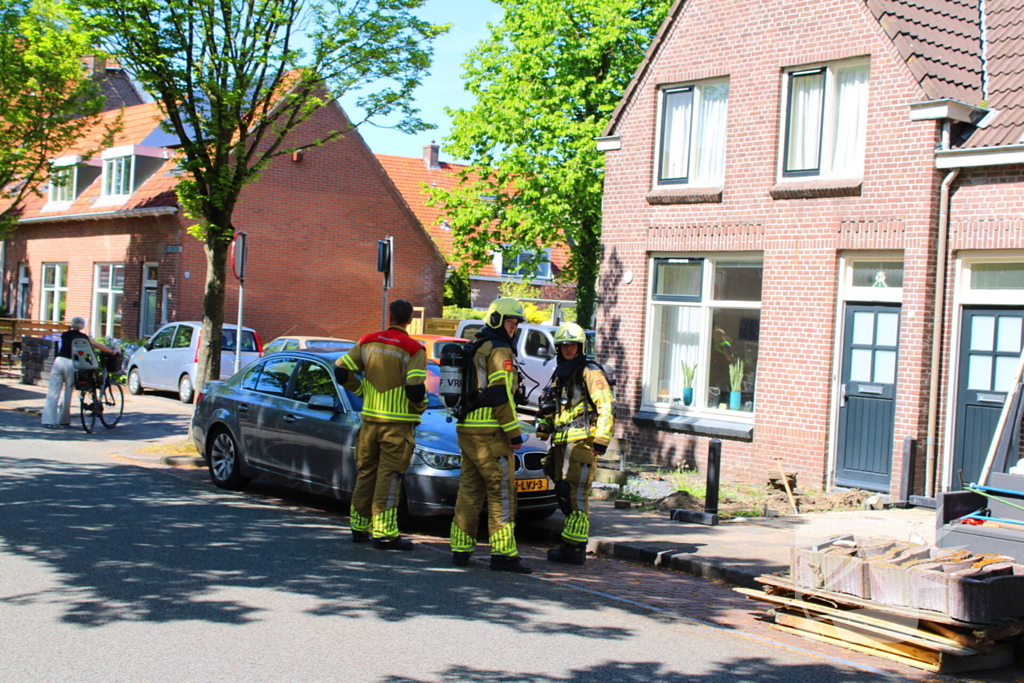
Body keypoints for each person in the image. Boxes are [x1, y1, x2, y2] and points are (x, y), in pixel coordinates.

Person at [335, 299, 427, 551]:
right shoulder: (413, 348)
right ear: (410, 320)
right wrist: (419, 408)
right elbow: (416, 389)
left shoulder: (367, 341)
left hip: (369, 423)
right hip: (396, 425)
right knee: (389, 477)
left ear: (390, 316)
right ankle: (385, 534)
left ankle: (358, 526)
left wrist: (363, 390)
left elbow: (341, 372)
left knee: (366, 473)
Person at [450, 297, 531, 573]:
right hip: (490, 432)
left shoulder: (477, 344)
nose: (513, 328)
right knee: (502, 491)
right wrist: (514, 432)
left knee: (470, 490)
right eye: (510, 322)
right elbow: (500, 393)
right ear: (497, 320)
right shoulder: (498, 349)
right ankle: (504, 553)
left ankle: (460, 549)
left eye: (516, 323)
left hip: (468, 428)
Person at [536, 322, 615, 565]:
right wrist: (545, 425)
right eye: (563, 345)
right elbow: (555, 406)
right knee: (562, 494)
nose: (568, 349)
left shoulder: (590, 372)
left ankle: (575, 547)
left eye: (572, 345)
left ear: (580, 347)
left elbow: (606, 406)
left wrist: (601, 440)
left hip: (582, 442)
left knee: (575, 495)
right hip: (561, 444)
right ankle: (570, 543)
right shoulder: (560, 372)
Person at [42, 317, 115, 428]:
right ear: (82, 326)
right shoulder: (83, 337)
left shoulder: (65, 334)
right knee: (68, 391)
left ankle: (48, 420)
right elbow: (97, 345)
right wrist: (112, 351)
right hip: (73, 363)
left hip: (59, 361)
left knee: (53, 391)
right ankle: (63, 419)